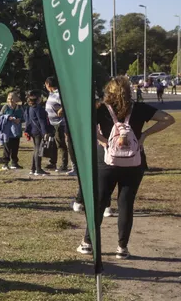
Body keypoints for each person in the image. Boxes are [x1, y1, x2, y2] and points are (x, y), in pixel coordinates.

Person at [76, 76, 175, 259]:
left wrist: (103, 141)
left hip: (106, 160)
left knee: (99, 203)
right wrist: (144, 134)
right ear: (129, 91)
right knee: (126, 204)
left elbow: (83, 124)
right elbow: (168, 119)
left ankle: (88, 243)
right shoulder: (139, 108)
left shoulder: (100, 109)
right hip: (134, 161)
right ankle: (122, 247)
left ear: (108, 91)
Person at [44, 76, 74, 174]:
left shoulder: (58, 94)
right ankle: (53, 162)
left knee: (61, 144)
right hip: (51, 123)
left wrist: (62, 109)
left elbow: (67, 104)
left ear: (48, 84)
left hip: (59, 123)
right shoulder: (51, 93)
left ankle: (63, 164)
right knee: (53, 144)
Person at [0, 91, 25, 170]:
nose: (10, 100)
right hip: (7, 131)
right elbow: (0, 116)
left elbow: (24, 117)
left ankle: (14, 163)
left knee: (15, 147)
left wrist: (20, 120)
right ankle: (5, 164)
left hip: (16, 131)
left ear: (16, 99)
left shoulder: (19, 107)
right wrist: (8, 117)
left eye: (12, 98)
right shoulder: (5, 107)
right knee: (7, 147)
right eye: (9, 98)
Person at [25, 91, 52, 176]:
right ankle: (38, 169)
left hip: (33, 130)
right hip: (38, 131)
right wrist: (45, 132)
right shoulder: (39, 108)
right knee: (38, 149)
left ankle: (33, 168)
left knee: (36, 149)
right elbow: (42, 121)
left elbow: (28, 121)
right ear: (38, 99)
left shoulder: (30, 108)